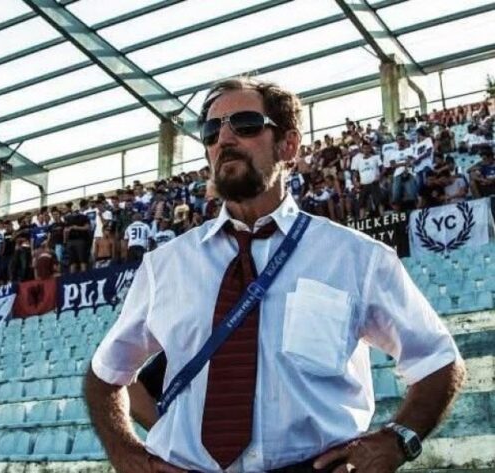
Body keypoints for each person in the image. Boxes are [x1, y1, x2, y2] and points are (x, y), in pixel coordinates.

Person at [86, 77, 465, 473]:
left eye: (245, 124)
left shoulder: (357, 258)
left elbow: (439, 360)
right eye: (211, 131)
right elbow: (105, 375)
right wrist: (126, 453)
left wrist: (399, 438)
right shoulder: (164, 266)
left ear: (289, 145)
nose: (224, 139)